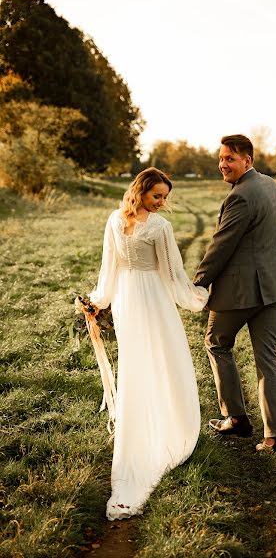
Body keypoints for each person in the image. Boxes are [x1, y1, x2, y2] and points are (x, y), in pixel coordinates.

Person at [87, 167, 208, 520]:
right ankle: (164, 424)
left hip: (128, 297)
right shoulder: (155, 227)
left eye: (165, 197)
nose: (162, 203)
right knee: (161, 359)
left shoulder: (121, 220)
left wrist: (103, 298)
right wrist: (197, 298)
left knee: (145, 360)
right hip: (148, 300)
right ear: (139, 191)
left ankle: (155, 416)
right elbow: (171, 275)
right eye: (157, 196)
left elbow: (110, 272)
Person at [193, 134, 276, 453]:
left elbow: (221, 245)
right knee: (267, 359)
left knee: (216, 342)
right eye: (221, 158)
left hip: (243, 290)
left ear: (247, 161)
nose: (223, 164)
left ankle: (236, 418)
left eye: (230, 159)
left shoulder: (240, 196)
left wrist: (199, 283)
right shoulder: (270, 185)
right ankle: (272, 437)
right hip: (275, 285)